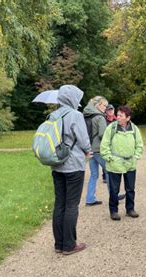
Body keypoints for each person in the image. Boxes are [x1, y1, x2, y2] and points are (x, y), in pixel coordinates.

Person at [51, 85, 92, 255]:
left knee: (59, 203)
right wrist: (88, 150)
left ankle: (59, 243)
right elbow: (83, 140)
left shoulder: (53, 115)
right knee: (71, 205)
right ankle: (69, 245)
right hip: (73, 164)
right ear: (73, 98)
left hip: (56, 164)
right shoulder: (76, 115)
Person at [100, 106, 143, 221]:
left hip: (130, 163)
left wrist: (136, 156)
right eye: (117, 115)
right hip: (115, 164)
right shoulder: (111, 128)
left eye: (120, 115)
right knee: (114, 189)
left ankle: (130, 209)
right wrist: (109, 158)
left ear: (128, 118)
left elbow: (139, 144)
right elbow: (104, 145)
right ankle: (113, 211)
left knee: (130, 188)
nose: (117, 117)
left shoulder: (134, 129)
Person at [83, 96, 109, 206]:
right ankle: (114, 195)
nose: (106, 108)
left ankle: (90, 199)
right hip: (99, 149)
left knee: (94, 175)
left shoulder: (87, 115)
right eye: (104, 106)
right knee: (110, 172)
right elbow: (103, 134)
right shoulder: (100, 117)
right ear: (98, 105)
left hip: (90, 149)